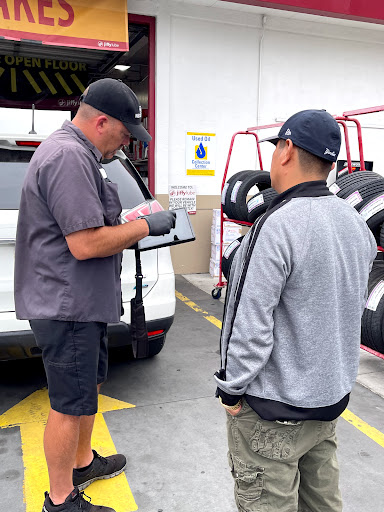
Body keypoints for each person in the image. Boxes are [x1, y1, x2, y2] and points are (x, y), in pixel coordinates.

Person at [14, 78, 176, 512]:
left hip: (82, 303)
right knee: (69, 404)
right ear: (101, 121)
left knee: (89, 385)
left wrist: (131, 218)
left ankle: (83, 462)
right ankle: (61, 499)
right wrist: (144, 227)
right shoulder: (69, 157)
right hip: (67, 305)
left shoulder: (80, 154)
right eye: (124, 134)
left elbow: (90, 222)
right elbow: (84, 244)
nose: (125, 145)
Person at [214, 109, 377, 512]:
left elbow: (246, 324)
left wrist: (230, 389)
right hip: (327, 408)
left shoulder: (275, 226)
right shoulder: (356, 225)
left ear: (286, 150)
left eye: (275, 149)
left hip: (273, 413)